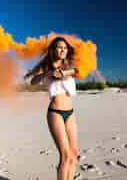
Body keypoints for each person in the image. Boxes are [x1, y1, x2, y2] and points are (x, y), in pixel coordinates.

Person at [24, 36, 79, 180]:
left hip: (70, 113)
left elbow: (76, 70)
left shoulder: (70, 65)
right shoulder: (46, 67)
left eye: (65, 48)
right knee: (65, 155)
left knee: (73, 154)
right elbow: (33, 81)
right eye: (59, 47)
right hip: (55, 112)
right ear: (53, 50)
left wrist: (63, 73)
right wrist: (47, 73)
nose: (63, 50)